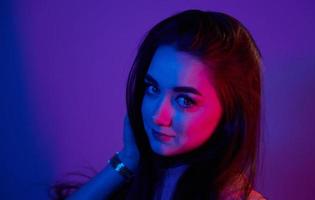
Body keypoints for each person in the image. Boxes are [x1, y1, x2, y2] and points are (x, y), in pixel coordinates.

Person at [52, 9, 266, 200]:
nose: (157, 116)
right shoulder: (137, 177)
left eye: (184, 100)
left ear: (230, 111)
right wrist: (126, 161)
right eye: (153, 89)